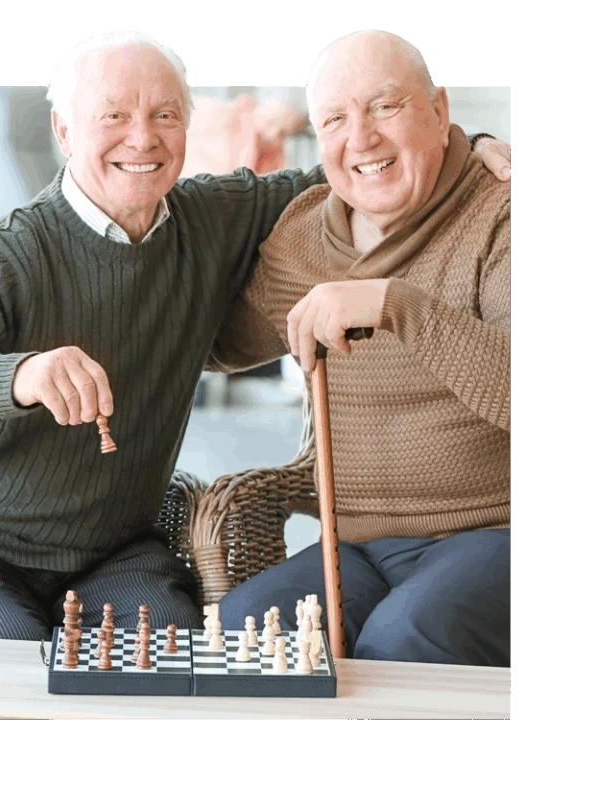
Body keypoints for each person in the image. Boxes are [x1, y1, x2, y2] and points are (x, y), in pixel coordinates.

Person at [0, 27, 511, 641]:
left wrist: (474, 147)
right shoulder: (6, 258)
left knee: (192, 666)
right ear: (64, 131)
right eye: (113, 115)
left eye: (164, 114)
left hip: (111, 553)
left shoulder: (216, 216)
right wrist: (17, 377)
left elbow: (362, 167)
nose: (142, 137)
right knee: (12, 673)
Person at [213, 29, 511, 667]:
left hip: (499, 536)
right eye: (335, 119)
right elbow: (216, 345)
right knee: (245, 634)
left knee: (402, 640)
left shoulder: (503, 214)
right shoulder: (303, 235)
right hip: (356, 548)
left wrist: (393, 304)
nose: (362, 138)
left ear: (439, 110)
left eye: (385, 106)